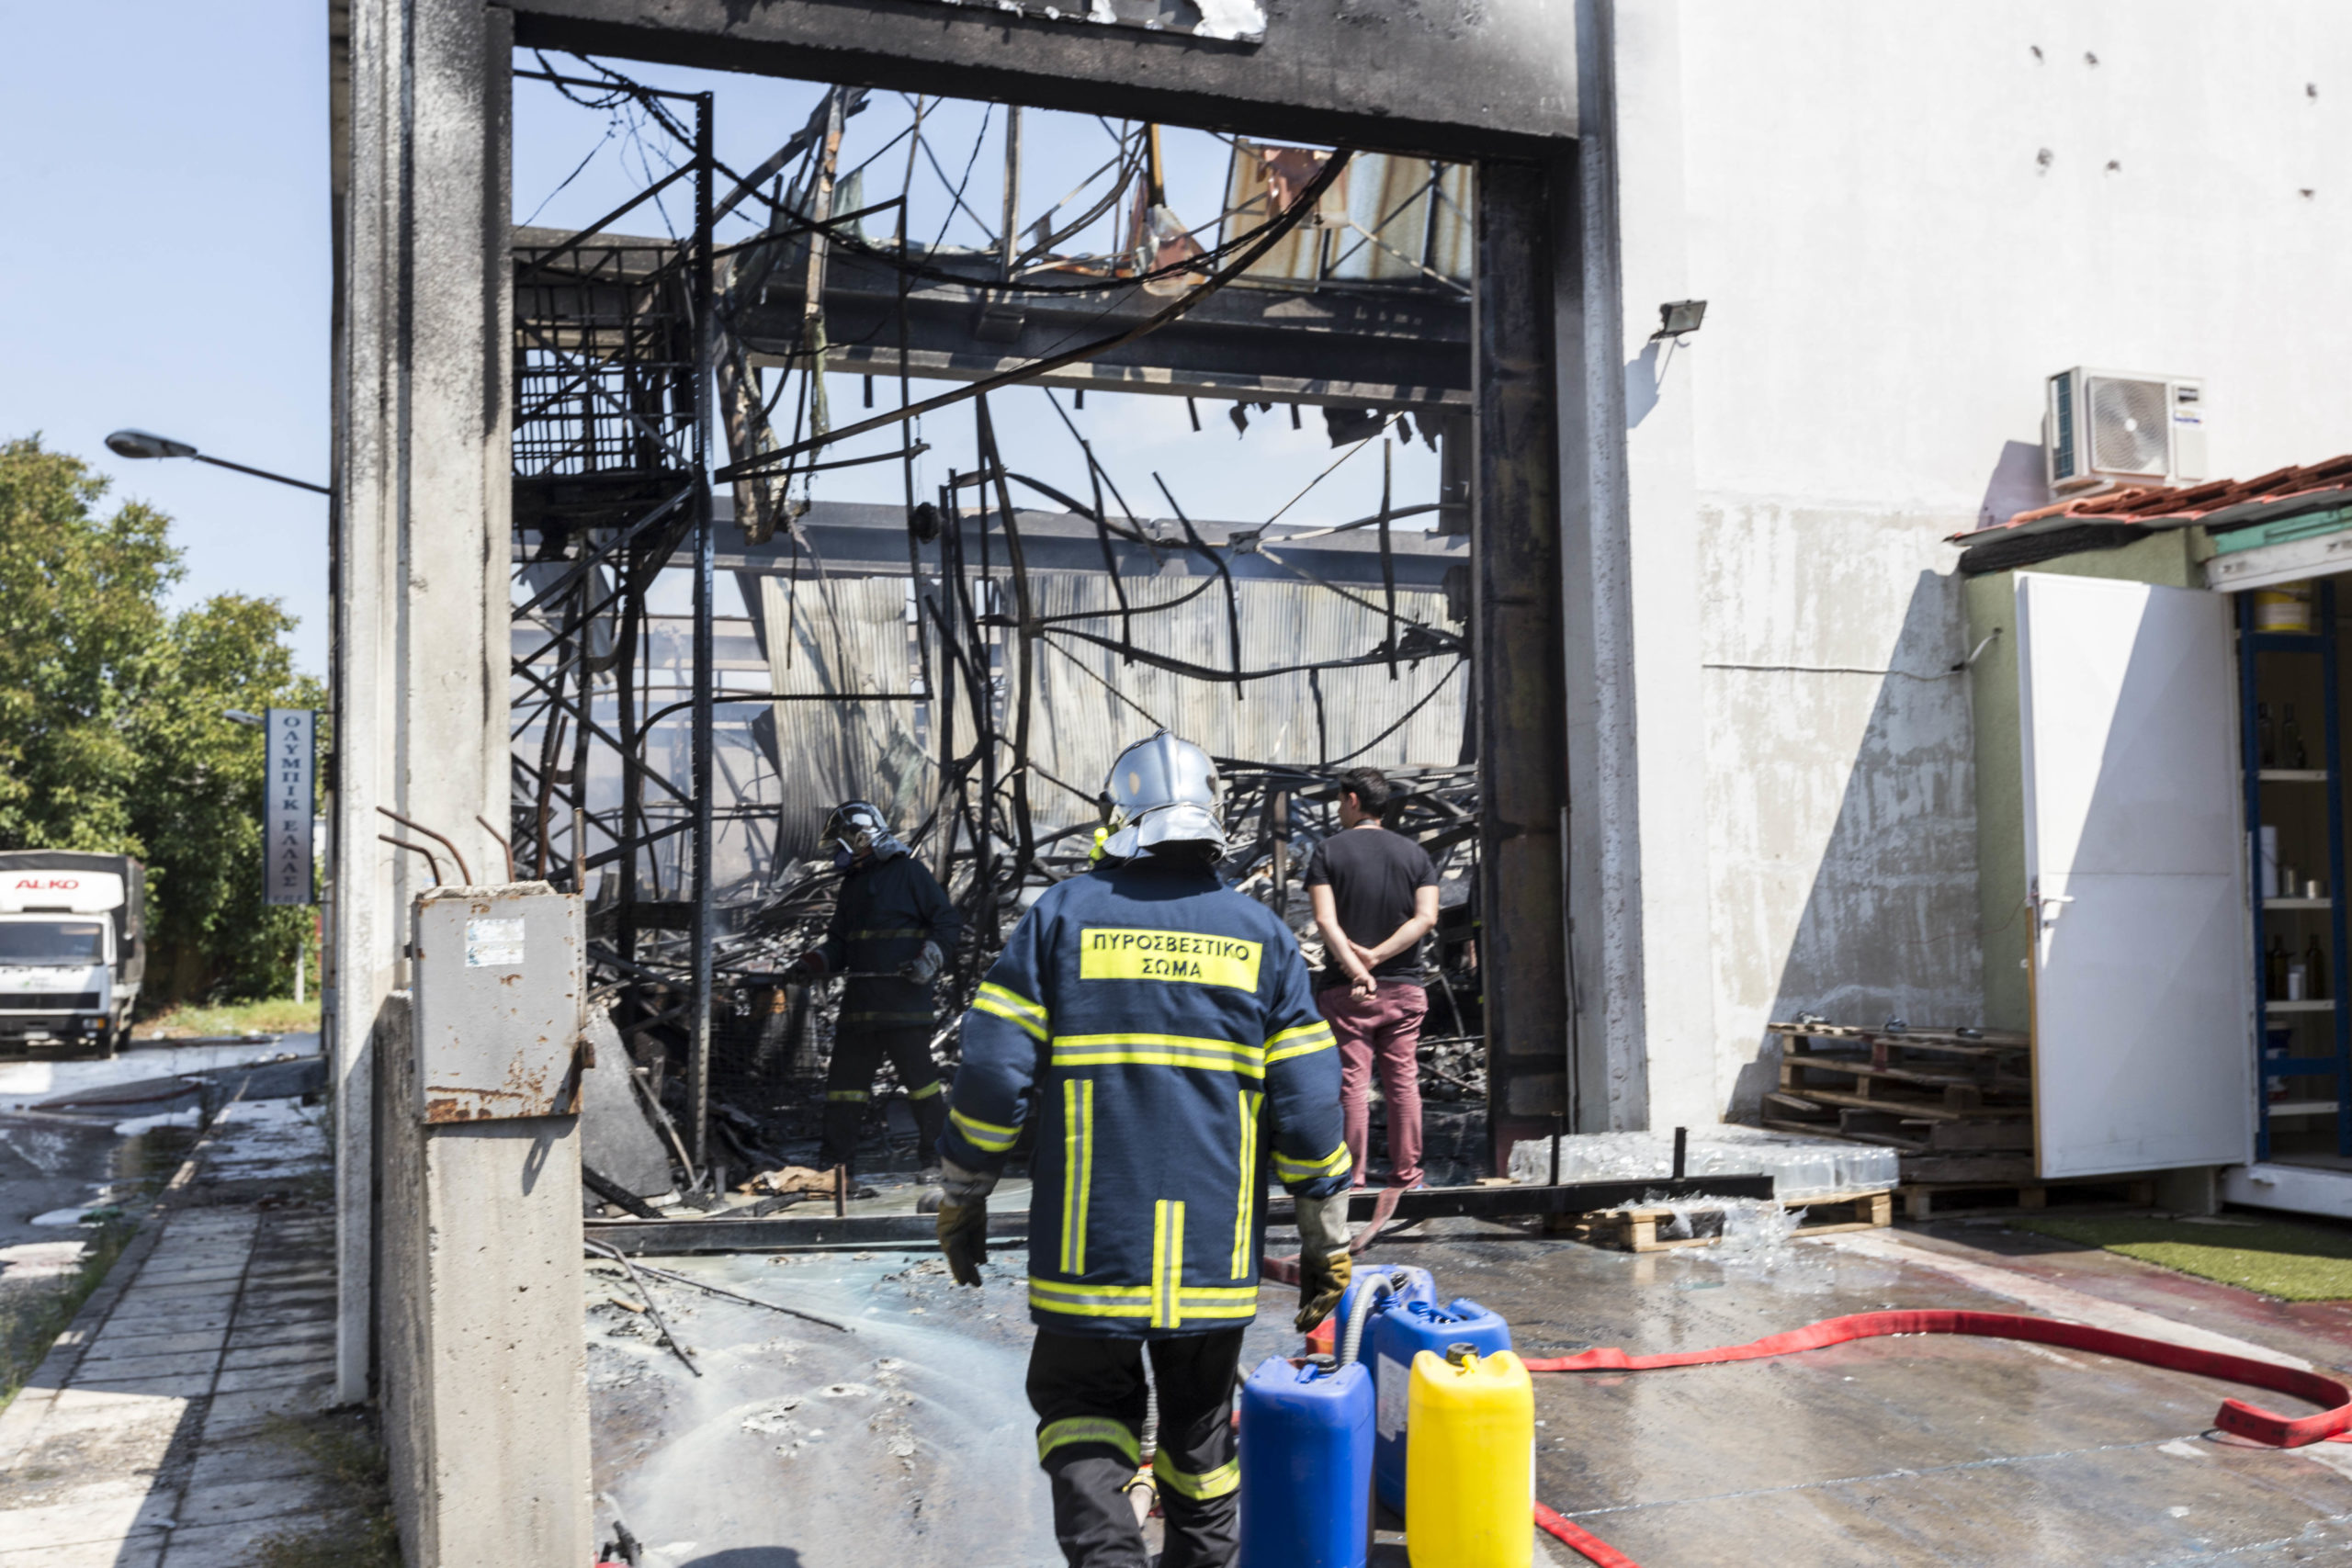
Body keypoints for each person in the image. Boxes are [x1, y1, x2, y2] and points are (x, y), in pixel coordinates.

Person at [932, 731, 1356, 1568]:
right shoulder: (1261, 935)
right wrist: (1326, 1241)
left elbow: (989, 1078)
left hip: (1091, 1244)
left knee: (1082, 1408)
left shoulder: (1060, 916)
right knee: (1200, 1437)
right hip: (1212, 1250)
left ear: (1118, 816)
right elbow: (1311, 1107)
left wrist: (962, 1193)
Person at [783, 801, 959, 1178]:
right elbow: (840, 944)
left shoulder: (910, 873)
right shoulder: (853, 884)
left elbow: (946, 923)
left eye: (841, 843)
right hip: (860, 1009)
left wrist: (928, 959)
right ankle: (835, 1169)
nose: (837, 854)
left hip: (903, 1005)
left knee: (922, 1087)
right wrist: (812, 963)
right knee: (843, 1092)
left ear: (861, 837)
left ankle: (937, 1159)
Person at [1305, 766, 1440, 1190]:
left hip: (1347, 992)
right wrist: (1379, 957)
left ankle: (1353, 1178)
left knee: (1352, 1083)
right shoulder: (1416, 855)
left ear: (1353, 800)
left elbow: (1326, 921)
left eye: (1339, 801)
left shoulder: (1328, 852)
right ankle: (1407, 1176)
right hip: (1404, 989)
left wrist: (1359, 969)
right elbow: (1427, 918)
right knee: (1403, 1082)